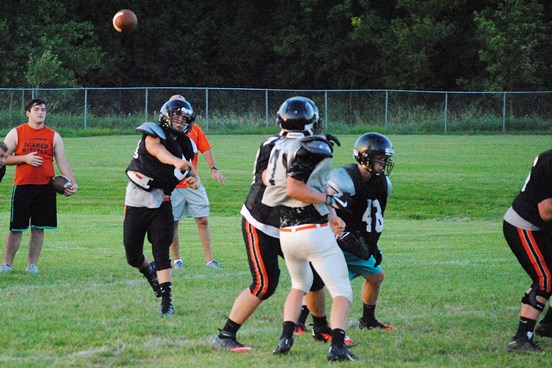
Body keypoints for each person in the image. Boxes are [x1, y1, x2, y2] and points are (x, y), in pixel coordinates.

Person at [212, 97, 341, 353]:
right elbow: (270, 178)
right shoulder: (273, 145)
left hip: (291, 222)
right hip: (262, 222)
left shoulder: (306, 145)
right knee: (264, 283)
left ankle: (321, 328)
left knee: (315, 277)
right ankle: (225, 335)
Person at [261, 96, 357, 361]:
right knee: (341, 291)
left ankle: (285, 338)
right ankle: (337, 346)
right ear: (310, 121)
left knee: (298, 286)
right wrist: (328, 201)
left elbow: (270, 181)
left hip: (286, 231)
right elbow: (296, 187)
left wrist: (332, 213)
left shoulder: (277, 145)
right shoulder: (312, 146)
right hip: (311, 230)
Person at [296, 133, 397, 333]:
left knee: (376, 277)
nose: (383, 162)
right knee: (318, 282)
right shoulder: (344, 179)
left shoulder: (382, 183)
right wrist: (338, 234)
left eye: (385, 158)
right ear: (364, 157)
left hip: (356, 243)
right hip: (335, 241)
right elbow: (323, 206)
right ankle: (298, 322)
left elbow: (368, 218)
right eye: (379, 158)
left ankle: (368, 320)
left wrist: (371, 245)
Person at [123, 99, 197, 316]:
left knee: (161, 251)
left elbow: (189, 169)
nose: (180, 121)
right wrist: (175, 162)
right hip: (137, 198)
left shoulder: (186, 145)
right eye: (176, 117)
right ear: (166, 116)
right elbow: (157, 151)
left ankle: (167, 301)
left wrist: (195, 179)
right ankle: (149, 272)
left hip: (162, 200)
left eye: (184, 119)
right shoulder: (152, 134)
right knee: (132, 255)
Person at [0, 99, 78, 274]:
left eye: (43, 109)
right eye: (36, 110)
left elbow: (62, 162)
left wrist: (73, 183)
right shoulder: (16, 133)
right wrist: (24, 158)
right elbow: (4, 158)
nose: (40, 112)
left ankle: (32, 264)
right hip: (23, 186)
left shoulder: (54, 136)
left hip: (45, 188)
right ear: (28, 113)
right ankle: (6, 264)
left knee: (38, 228)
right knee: (16, 228)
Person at [168, 95, 225, 270]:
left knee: (202, 219)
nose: (179, 118)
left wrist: (213, 168)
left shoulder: (194, 129)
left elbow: (206, 149)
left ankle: (209, 260)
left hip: (192, 182)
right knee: (173, 222)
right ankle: (177, 260)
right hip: (172, 185)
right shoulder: (163, 131)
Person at [503, 148, 552, 352]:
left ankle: (548, 325)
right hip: (525, 224)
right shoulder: (549, 162)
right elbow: (546, 211)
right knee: (545, 279)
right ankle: (522, 339)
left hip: (543, 226)